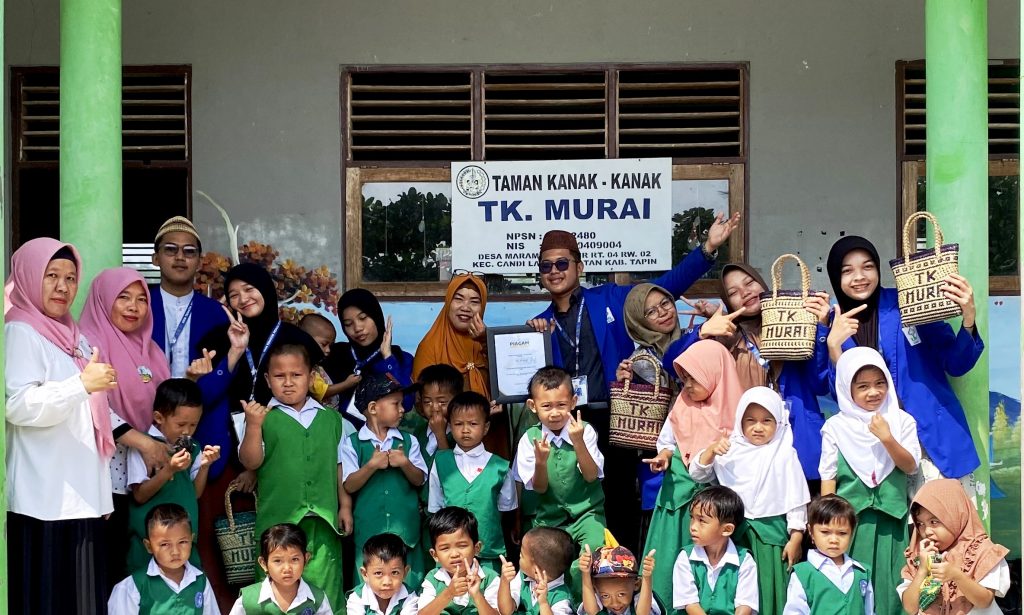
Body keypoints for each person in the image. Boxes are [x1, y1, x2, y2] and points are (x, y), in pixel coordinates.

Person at [526, 217, 739, 548]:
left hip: (617, 415)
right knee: (572, 498)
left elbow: (665, 288)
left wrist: (708, 248)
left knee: (621, 496)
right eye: (546, 266)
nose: (554, 271)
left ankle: (622, 575)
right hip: (566, 421)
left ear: (579, 266)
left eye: (562, 263)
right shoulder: (541, 325)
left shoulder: (609, 298)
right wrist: (530, 336)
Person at [5, 237, 121, 613]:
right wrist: (81, 384)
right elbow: (18, 405)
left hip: (81, 498)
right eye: (50, 275)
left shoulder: (75, 338)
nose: (62, 287)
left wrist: (101, 491)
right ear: (26, 277)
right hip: (45, 500)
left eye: (70, 278)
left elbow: (91, 419)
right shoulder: (21, 331)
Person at [825, 235, 983, 489]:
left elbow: (955, 363)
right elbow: (840, 396)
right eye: (847, 271)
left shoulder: (906, 303)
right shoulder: (835, 324)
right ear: (836, 277)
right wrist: (833, 346)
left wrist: (969, 317)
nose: (859, 277)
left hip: (931, 439)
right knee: (895, 527)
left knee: (946, 524)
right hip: (874, 450)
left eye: (868, 266)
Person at [663, 262, 832, 481]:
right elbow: (670, 363)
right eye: (733, 292)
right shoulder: (725, 336)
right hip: (748, 449)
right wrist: (702, 332)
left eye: (749, 282)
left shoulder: (796, 324)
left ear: (763, 283)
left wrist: (821, 327)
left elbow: (819, 383)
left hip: (798, 440)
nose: (745, 292)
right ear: (728, 302)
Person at [79, 265, 191, 581]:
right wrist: (142, 442)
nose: (133, 307)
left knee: (143, 562)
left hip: (147, 473)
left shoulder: (151, 351)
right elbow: (91, 401)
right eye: (123, 297)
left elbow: (163, 406)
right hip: (106, 473)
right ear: (103, 300)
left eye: (141, 299)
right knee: (107, 562)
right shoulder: (88, 343)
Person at [238, 342, 351, 610]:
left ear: (312, 377)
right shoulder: (262, 417)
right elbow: (250, 460)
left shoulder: (332, 420)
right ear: (267, 379)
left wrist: (345, 506)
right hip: (278, 522)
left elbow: (340, 466)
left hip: (323, 522)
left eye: (296, 375)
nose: (288, 383)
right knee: (276, 594)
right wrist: (253, 426)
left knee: (325, 589)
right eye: (279, 376)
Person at [690, 387, 810, 615]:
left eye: (767, 420)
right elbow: (698, 474)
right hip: (732, 534)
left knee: (767, 587)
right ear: (740, 421)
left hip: (770, 535)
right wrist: (711, 451)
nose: (758, 427)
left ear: (779, 422)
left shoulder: (784, 454)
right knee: (733, 589)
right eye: (750, 420)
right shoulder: (730, 450)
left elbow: (796, 499)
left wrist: (796, 537)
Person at [641, 340, 742, 607]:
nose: (687, 386)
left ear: (714, 373)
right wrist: (664, 456)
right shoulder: (682, 404)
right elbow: (667, 441)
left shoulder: (737, 409)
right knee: (667, 556)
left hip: (711, 505)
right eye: (684, 380)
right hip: (676, 501)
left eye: (693, 379)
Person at [820, 347, 921, 615]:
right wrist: (827, 524)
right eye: (862, 386)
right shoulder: (836, 427)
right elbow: (828, 477)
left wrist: (887, 438)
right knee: (852, 588)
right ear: (846, 389)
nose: (873, 392)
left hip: (893, 522)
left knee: (893, 587)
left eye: (880, 383)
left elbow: (911, 466)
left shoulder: (902, 421)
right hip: (850, 525)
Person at [127, 378, 221, 571]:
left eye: (193, 425)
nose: (187, 431)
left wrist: (204, 466)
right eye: (180, 424)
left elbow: (194, 493)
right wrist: (169, 470)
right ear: (159, 417)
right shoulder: (143, 446)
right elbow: (139, 495)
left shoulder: (193, 448)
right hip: (149, 546)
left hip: (184, 544)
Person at [514, 367, 606, 563]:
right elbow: (539, 487)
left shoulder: (585, 431)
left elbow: (591, 476)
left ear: (573, 402)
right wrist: (540, 461)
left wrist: (578, 441)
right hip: (549, 519)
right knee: (544, 563)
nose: (555, 413)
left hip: (587, 515)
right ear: (532, 405)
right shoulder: (529, 439)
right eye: (546, 406)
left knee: (593, 554)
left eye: (561, 405)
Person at [342, 374, 429, 577]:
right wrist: (371, 465)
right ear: (373, 408)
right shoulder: (352, 443)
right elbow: (349, 485)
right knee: (369, 588)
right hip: (369, 532)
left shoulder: (409, 441)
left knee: (410, 584)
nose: (402, 409)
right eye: (396, 404)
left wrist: (404, 463)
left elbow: (420, 479)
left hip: (406, 532)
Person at [428, 391, 518, 571]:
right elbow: (435, 508)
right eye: (458, 424)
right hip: (451, 559)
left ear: (485, 427)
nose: (465, 430)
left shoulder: (500, 467)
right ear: (450, 426)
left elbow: (506, 510)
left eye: (473, 424)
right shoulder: (440, 463)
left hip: (489, 553)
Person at [899, 480, 1010, 615]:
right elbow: (910, 608)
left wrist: (956, 575)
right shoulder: (920, 554)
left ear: (957, 515)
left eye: (934, 522)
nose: (927, 531)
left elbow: (985, 601)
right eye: (921, 524)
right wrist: (922, 570)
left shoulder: (982, 552)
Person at [148, 216, 230, 380]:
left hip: (202, 403)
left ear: (199, 263)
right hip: (145, 403)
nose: (180, 257)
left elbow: (223, 372)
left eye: (189, 251)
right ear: (156, 258)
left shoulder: (216, 313)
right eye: (171, 249)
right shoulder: (141, 306)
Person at [108, 503, 221, 614]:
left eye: (182, 542)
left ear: (192, 540)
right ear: (149, 546)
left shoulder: (201, 582)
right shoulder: (132, 587)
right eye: (165, 544)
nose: (175, 552)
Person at [322, 288, 415, 416]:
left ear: (376, 316)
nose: (357, 328)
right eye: (348, 324)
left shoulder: (399, 358)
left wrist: (387, 357)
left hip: (379, 435)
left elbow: (406, 402)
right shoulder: (335, 354)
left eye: (363, 318)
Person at [417, 507, 521, 615]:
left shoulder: (489, 578)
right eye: (445, 548)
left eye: (462, 546)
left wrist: (477, 595)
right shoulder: (433, 579)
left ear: (477, 548)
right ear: (434, 555)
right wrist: (449, 593)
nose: (454, 554)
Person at [672, 486, 758, 615]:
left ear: (727, 529)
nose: (693, 527)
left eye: (702, 521)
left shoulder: (745, 560)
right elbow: (691, 605)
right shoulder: (685, 557)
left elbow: (745, 606)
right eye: (692, 518)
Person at [785, 495, 874, 615]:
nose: (834, 540)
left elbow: (869, 611)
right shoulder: (803, 574)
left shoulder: (862, 572)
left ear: (852, 533)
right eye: (825, 532)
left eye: (842, 533)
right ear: (811, 532)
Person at [229, 523, 334, 615]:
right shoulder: (248, 600)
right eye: (278, 561)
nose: (287, 568)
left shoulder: (317, 598)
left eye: (295, 559)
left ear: (306, 559)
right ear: (264, 563)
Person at [347, 533, 419, 615]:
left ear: (405, 573)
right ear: (365, 574)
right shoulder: (357, 598)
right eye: (378, 573)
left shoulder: (409, 597)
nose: (387, 582)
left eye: (394, 572)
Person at [578, 543, 659, 615]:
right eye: (605, 596)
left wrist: (647, 577)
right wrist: (586, 573)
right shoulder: (596, 600)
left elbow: (643, 613)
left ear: (636, 584)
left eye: (621, 594)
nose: (615, 603)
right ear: (595, 588)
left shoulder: (640, 599)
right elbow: (591, 611)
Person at [515, 526, 578, 615]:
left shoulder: (561, 600)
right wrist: (505, 582)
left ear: (536, 571)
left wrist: (543, 603)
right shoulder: (524, 576)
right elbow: (506, 610)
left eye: (522, 555)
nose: (519, 557)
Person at [299, 312, 344, 408]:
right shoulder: (305, 369)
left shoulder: (317, 365)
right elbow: (322, 392)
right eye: (324, 344)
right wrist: (347, 384)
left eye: (330, 345)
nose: (328, 350)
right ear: (306, 339)